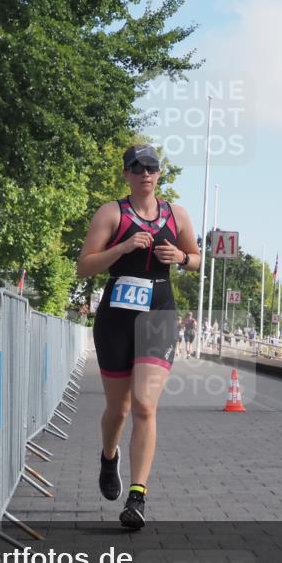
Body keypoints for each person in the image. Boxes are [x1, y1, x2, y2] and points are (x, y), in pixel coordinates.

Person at [77, 144, 201, 529]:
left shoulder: (176, 215)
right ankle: (108, 456)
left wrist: (180, 259)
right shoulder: (111, 213)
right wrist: (124, 247)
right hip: (116, 318)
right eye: (137, 167)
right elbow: (84, 266)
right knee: (119, 409)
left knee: (146, 405)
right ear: (126, 174)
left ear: (159, 174)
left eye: (151, 167)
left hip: (159, 315)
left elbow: (197, 259)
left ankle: (137, 497)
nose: (145, 173)